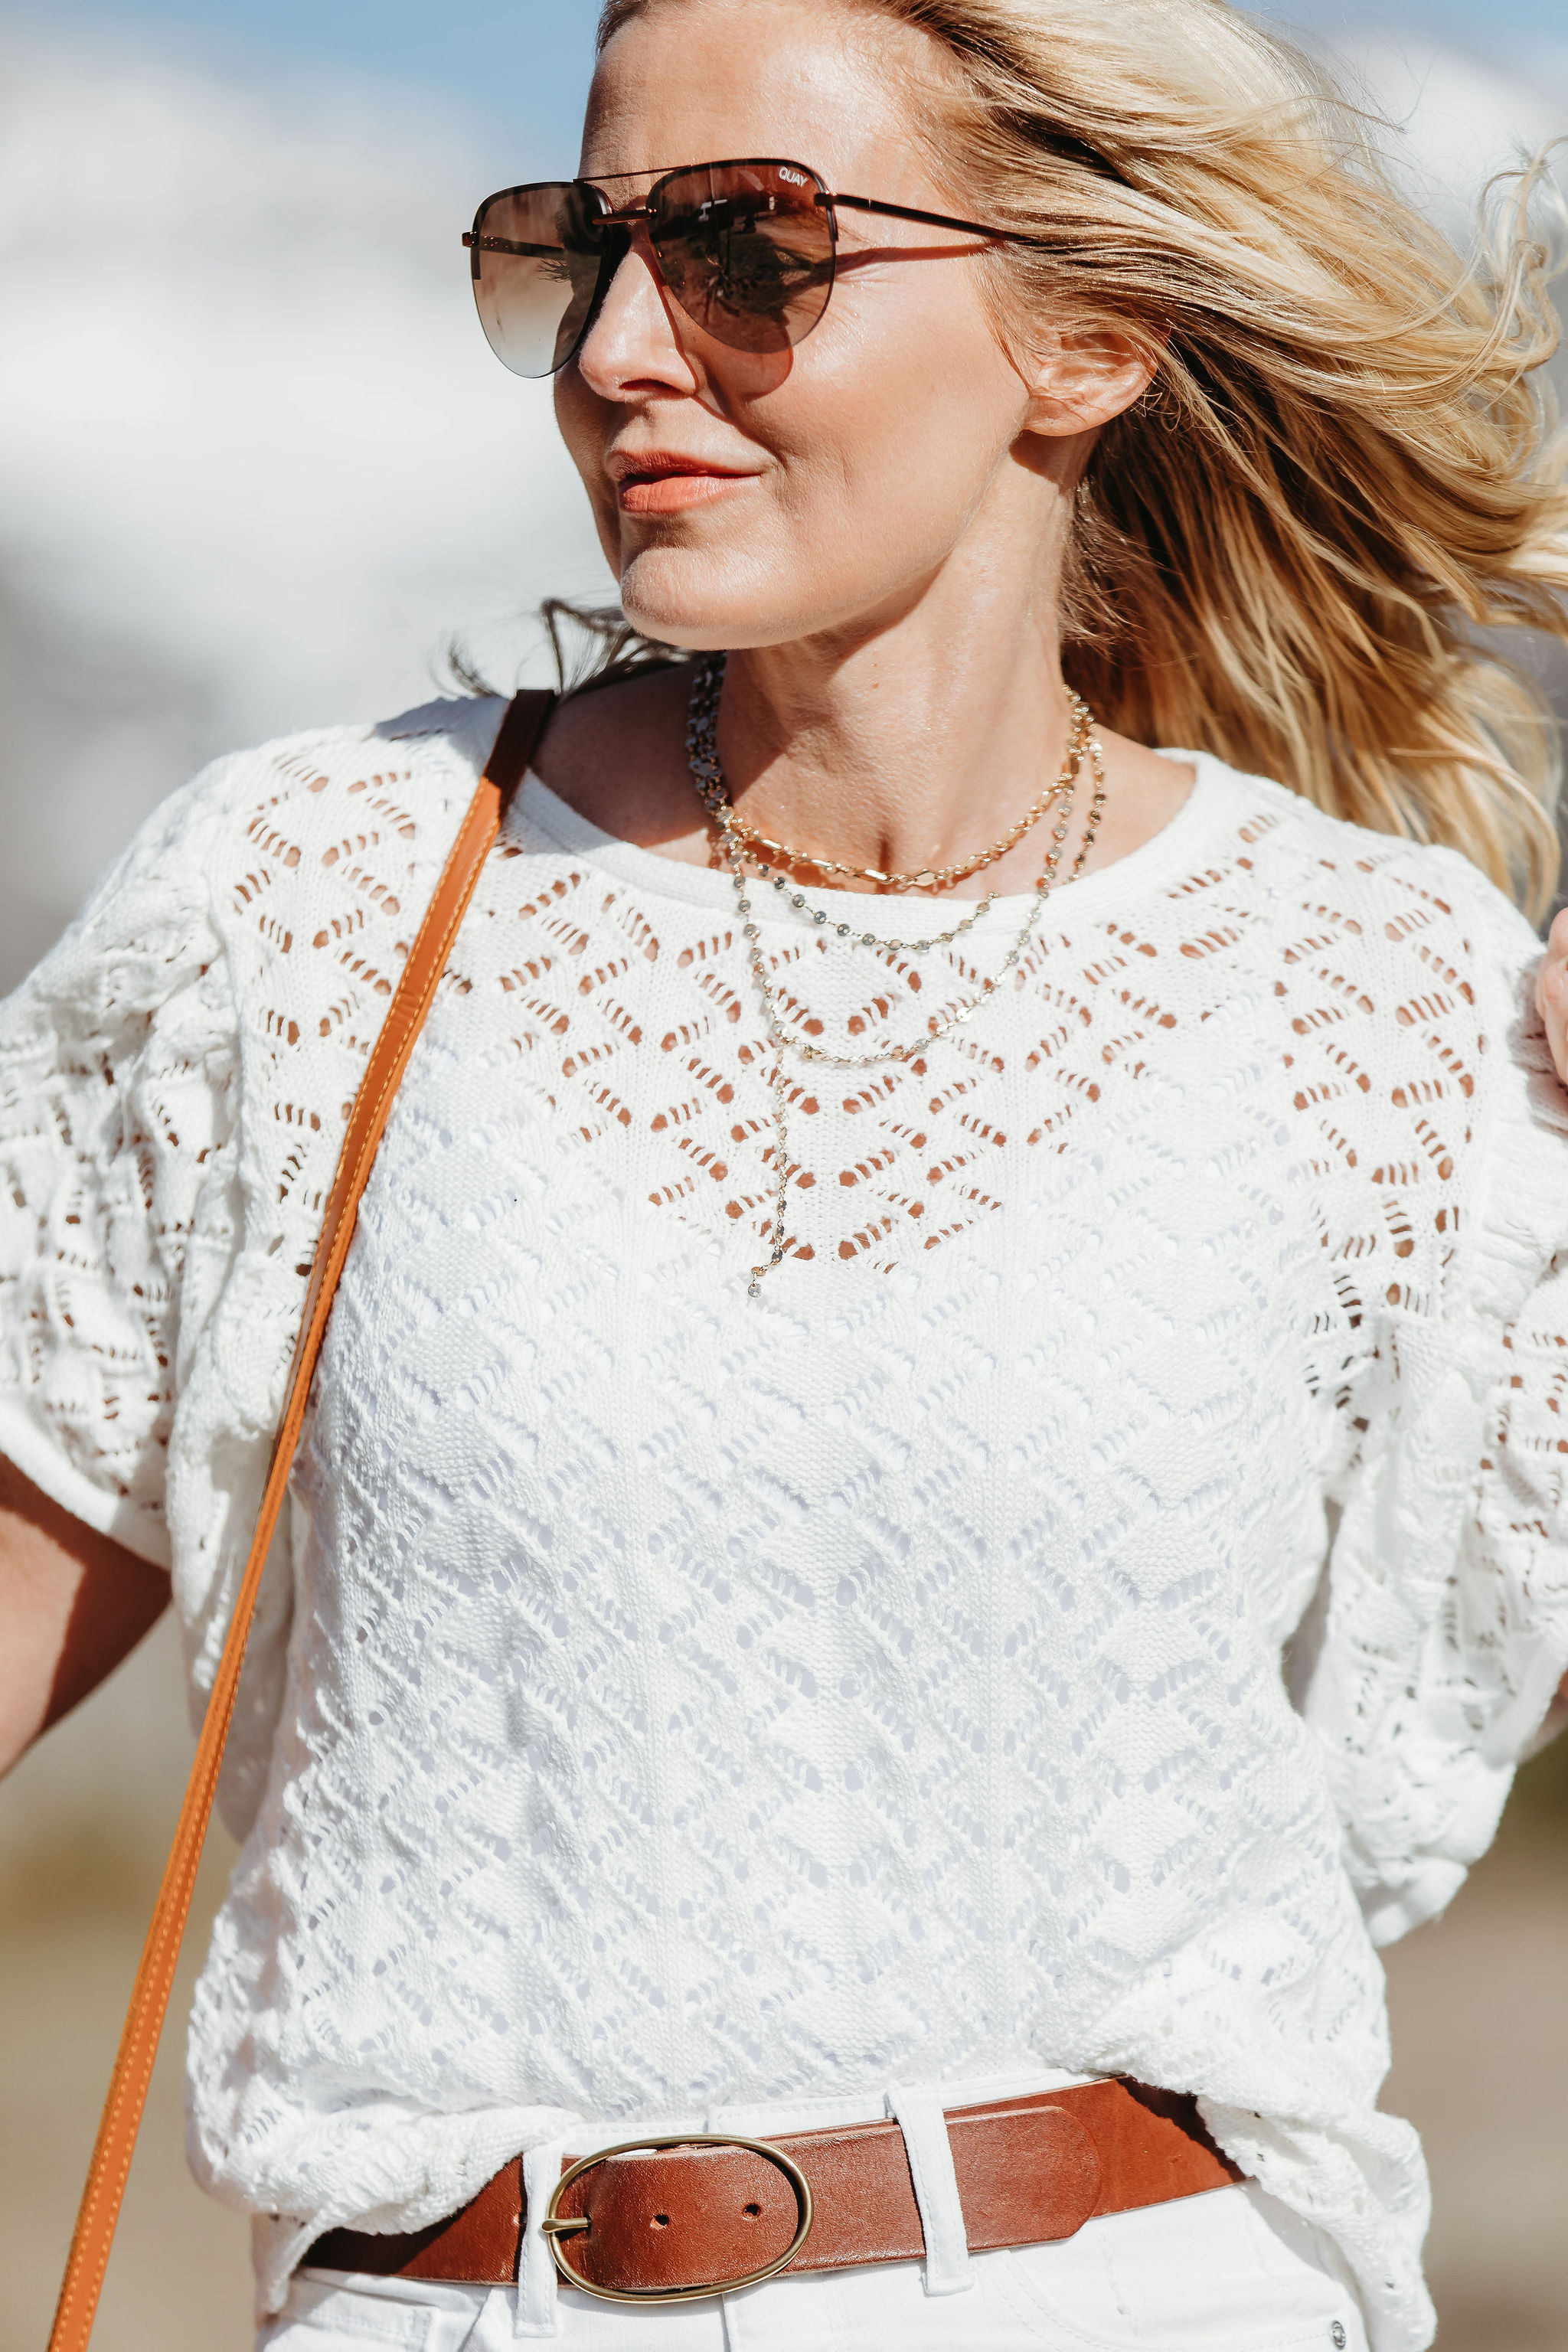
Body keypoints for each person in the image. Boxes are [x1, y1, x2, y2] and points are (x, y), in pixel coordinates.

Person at [4, 1, 1568, 2347]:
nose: (625, 345)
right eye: (581, 245)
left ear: (1089, 335)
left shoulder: (1377, 997)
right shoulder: (306, 908)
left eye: (746, 247)